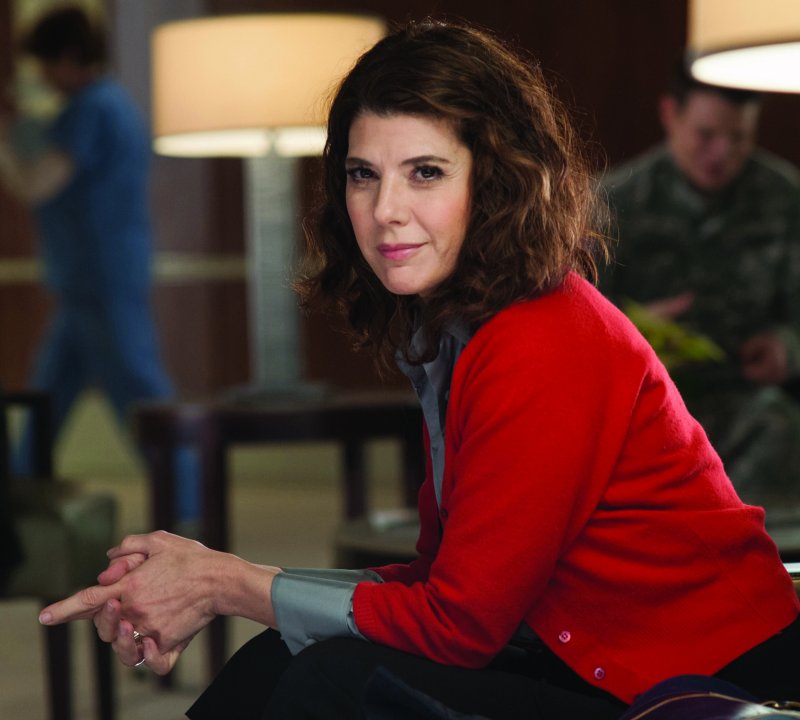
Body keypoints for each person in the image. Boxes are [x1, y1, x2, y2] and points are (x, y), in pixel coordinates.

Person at [37, 19, 799, 720]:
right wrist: (217, 580)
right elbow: (444, 585)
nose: (385, 210)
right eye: (363, 175)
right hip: (588, 656)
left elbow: (458, 625)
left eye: (425, 172)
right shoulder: (456, 331)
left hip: (704, 685)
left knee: (331, 682)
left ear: (492, 182)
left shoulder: (541, 336)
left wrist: (228, 585)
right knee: (282, 655)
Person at [0, 6, 198, 521]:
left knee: (142, 396)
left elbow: (36, 184)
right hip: (87, 281)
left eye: (47, 64)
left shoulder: (93, 109)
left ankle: (191, 510)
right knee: (48, 397)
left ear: (69, 57)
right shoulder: (100, 108)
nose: (43, 76)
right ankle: (16, 505)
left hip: (103, 281)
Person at [600, 64, 800, 508]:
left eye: (738, 138)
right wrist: (633, 329)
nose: (721, 153)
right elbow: (571, 325)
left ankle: (754, 544)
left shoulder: (784, 199)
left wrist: (786, 348)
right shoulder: (613, 202)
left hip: (744, 401)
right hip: (646, 403)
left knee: (781, 427)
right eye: (706, 134)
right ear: (670, 114)